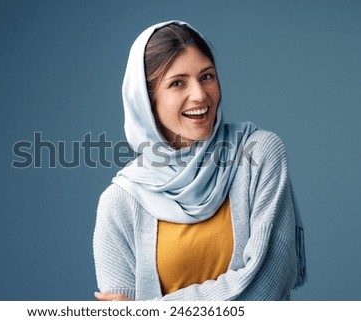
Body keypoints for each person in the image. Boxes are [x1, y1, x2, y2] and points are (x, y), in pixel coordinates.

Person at [93, 20, 306, 301]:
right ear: (146, 99)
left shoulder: (259, 153)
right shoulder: (120, 202)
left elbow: (267, 285)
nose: (200, 95)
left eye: (206, 76)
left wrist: (151, 311)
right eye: (178, 83)